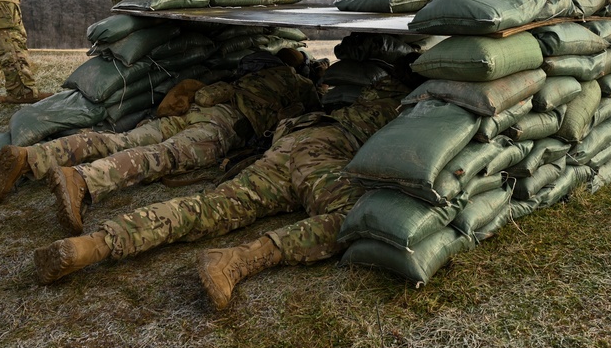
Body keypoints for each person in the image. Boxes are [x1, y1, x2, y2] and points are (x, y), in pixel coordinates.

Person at [33, 76, 415, 310]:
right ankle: (240, 259)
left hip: (291, 142)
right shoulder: (417, 108)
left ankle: (93, 245)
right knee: (354, 219)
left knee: (211, 207)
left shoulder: (369, 93)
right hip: (325, 151)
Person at [0, 51, 320, 209]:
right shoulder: (298, 84)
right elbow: (315, 110)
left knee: (123, 139)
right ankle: (84, 180)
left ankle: (32, 156)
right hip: (221, 126)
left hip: (196, 110)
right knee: (161, 157)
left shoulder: (251, 70)